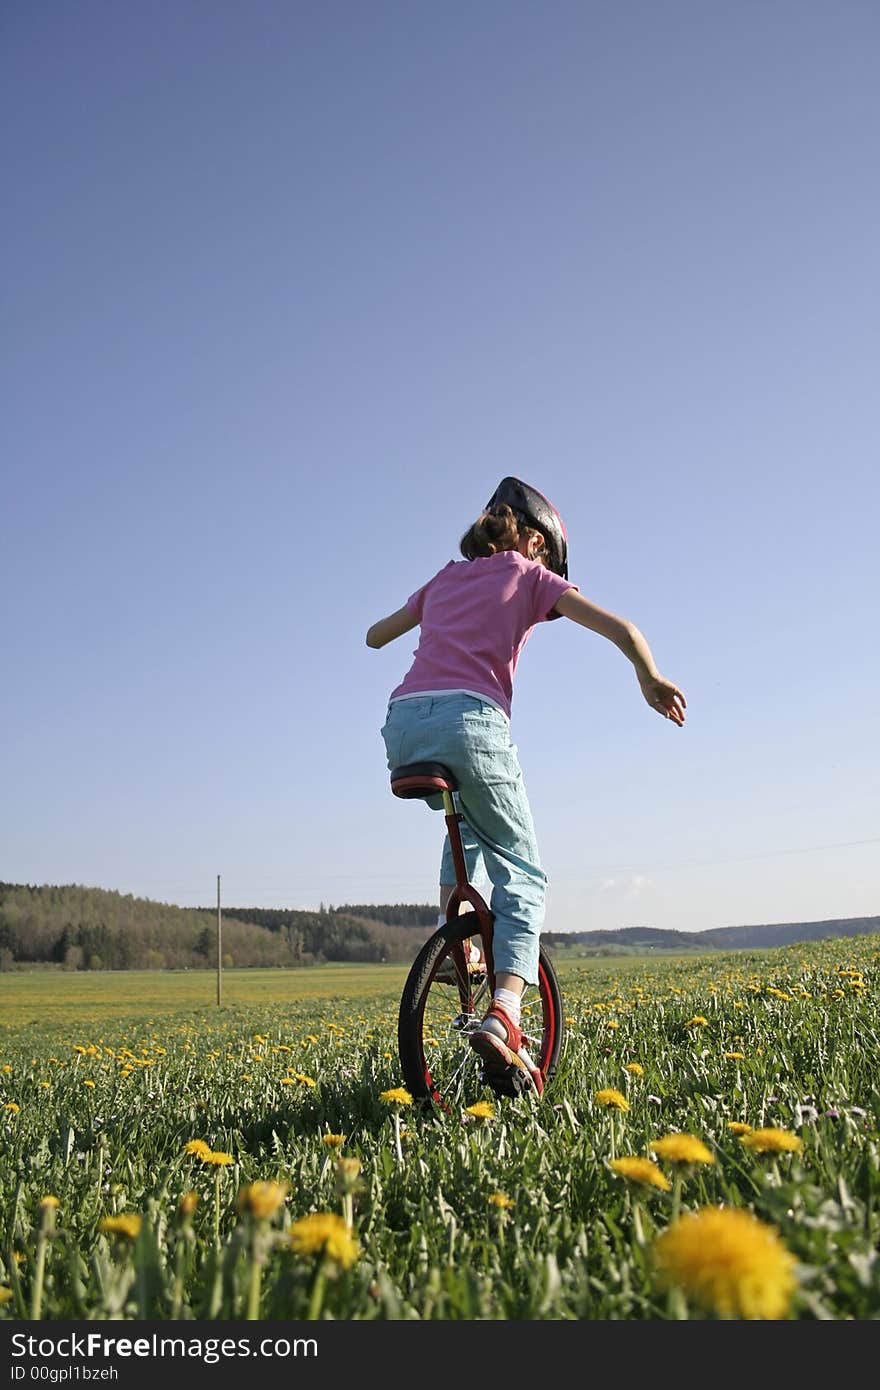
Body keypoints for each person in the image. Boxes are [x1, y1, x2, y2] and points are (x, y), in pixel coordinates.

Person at [366, 477, 686, 1096]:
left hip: (403, 726)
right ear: (535, 541)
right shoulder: (531, 575)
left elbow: (376, 636)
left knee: (465, 821)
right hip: (472, 724)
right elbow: (619, 625)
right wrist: (649, 676)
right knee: (525, 873)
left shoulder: (443, 579)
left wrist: (407, 625)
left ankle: (458, 942)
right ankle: (506, 1009)